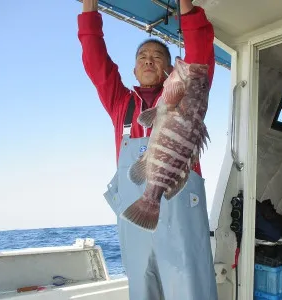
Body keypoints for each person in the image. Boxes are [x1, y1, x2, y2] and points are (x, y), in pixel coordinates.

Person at [77, 0, 218, 299]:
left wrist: (187, 9)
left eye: (157, 56)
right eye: (143, 56)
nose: (149, 60)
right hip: (137, 217)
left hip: (181, 215)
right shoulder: (121, 103)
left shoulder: (188, 93)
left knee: (190, 290)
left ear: (170, 68)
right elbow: (96, 64)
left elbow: (201, 55)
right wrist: (89, 10)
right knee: (142, 291)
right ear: (134, 68)